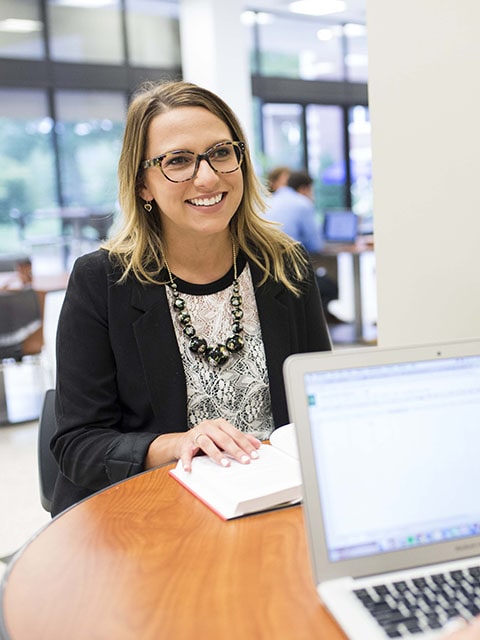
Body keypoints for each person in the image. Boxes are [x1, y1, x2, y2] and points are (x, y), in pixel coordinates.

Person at [51, 80, 332, 516]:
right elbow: (77, 445)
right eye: (177, 161)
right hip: (156, 513)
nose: (207, 177)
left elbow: (319, 406)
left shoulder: (285, 265)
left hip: (278, 506)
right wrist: (175, 444)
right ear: (143, 184)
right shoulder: (103, 280)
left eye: (221, 152)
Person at [265, 170, 340, 322]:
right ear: (305, 188)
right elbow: (315, 245)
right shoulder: (302, 203)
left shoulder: (269, 200)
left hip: (266, 270)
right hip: (290, 271)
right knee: (331, 288)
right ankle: (315, 322)